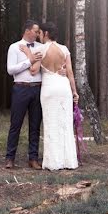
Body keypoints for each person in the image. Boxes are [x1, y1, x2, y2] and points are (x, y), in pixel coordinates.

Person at [18, 22, 79, 171]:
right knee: (64, 123)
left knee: (51, 124)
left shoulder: (41, 49)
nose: (38, 35)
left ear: (45, 34)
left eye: (40, 33)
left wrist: (27, 53)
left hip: (50, 88)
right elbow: (70, 72)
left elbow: (33, 70)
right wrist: (74, 92)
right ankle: (68, 161)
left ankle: (53, 162)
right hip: (63, 87)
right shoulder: (64, 49)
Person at [4, 20, 44, 169]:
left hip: (38, 89)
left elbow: (44, 68)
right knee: (16, 124)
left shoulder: (41, 47)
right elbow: (10, 69)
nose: (38, 33)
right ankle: (10, 158)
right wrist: (29, 61)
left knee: (35, 125)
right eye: (36, 31)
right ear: (27, 31)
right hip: (20, 89)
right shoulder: (14, 47)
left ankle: (33, 158)